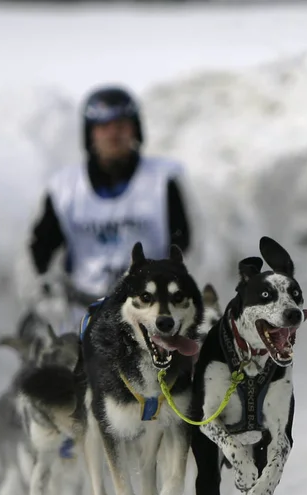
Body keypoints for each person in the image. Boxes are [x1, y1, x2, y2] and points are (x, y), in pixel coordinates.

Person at [19, 85, 192, 327]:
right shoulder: (64, 188)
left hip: (153, 314)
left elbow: (186, 244)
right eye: (104, 127)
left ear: (135, 129)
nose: (113, 134)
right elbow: (40, 248)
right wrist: (43, 293)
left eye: (121, 125)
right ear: (90, 133)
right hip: (82, 315)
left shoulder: (163, 181)